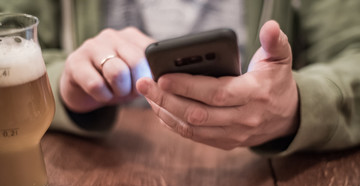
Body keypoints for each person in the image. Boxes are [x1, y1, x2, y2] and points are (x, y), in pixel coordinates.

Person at [2, 0, 360, 156]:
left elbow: (353, 50)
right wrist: (65, 84)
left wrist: (298, 104)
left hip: (264, 165)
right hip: (113, 155)